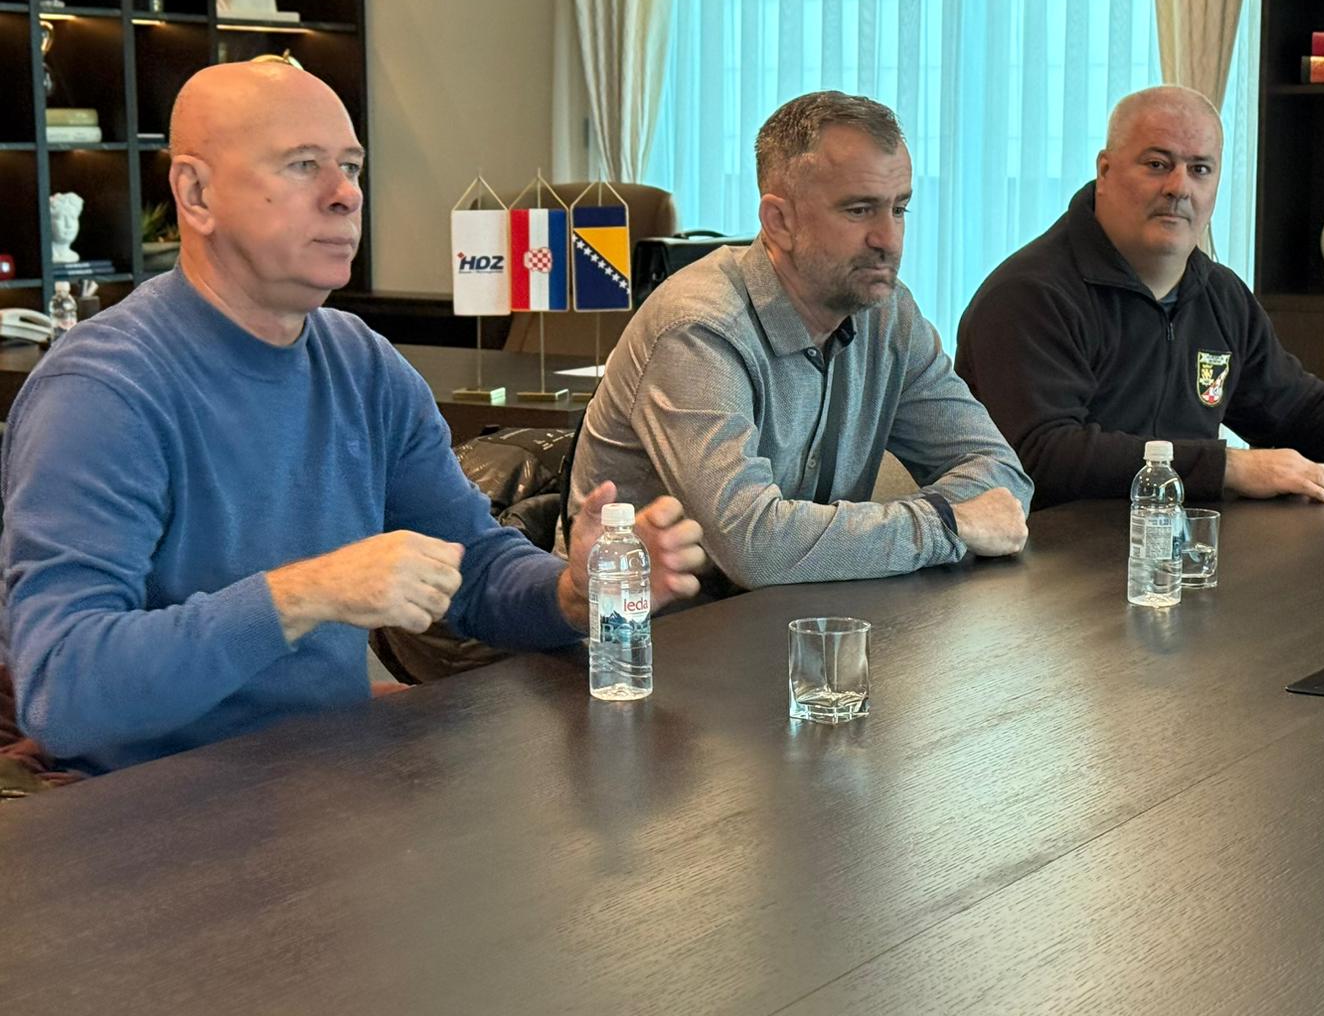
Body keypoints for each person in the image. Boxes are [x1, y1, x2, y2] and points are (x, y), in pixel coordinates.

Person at [0, 62, 706, 776]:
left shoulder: (361, 363)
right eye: (303, 165)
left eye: (351, 166)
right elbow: (63, 688)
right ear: (197, 193)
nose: (345, 195)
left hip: (330, 783)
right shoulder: (101, 391)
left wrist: (572, 593)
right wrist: (307, 592)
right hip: (154, 809)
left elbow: (473, 567)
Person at [569, 90, 1032, 594]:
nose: (889, 239)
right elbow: (754, 547)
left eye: (899, 209)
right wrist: (944, 523)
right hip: (648, 629)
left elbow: (1000, 474)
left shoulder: (888, 313)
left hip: (803, 614)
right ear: (779, 222)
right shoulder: (699, 328)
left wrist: (860, 539)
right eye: (859, 210)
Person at [956, 84, 1324, 507]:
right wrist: (1230, 468)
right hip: (1049, 572)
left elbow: (1292, 406)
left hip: (1175, 553)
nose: (1179, 187)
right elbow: (1042, 456)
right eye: (1157, 164)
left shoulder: (1218, 293)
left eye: (1200, 169)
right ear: (1105, 170)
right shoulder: (1030, 295)